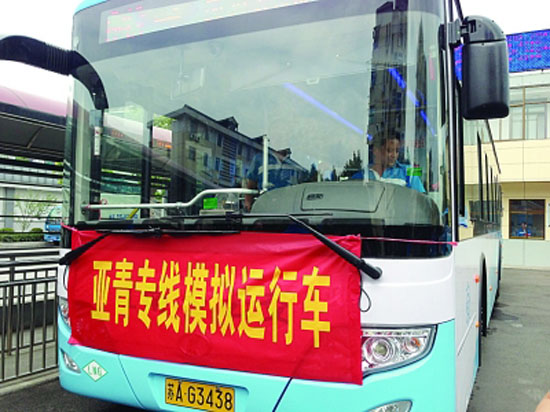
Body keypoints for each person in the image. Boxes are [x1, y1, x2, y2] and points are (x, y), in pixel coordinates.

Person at [353, 136, 426, 193]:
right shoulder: (362, 175)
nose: (394, 155)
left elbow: (420, 200)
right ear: (376, 151)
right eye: (389, 150)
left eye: (397, 151)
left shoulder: (409, 171)